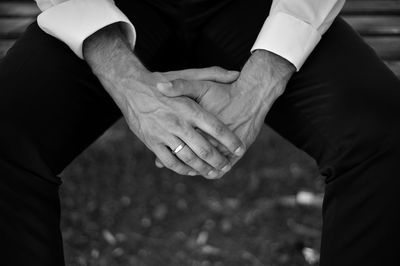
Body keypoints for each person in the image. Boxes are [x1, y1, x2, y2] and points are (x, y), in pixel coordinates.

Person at [0, 0, 399, 265]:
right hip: (114, 5)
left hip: (254, 5)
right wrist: (126, 82)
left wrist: (261, 82)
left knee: (382, 131)